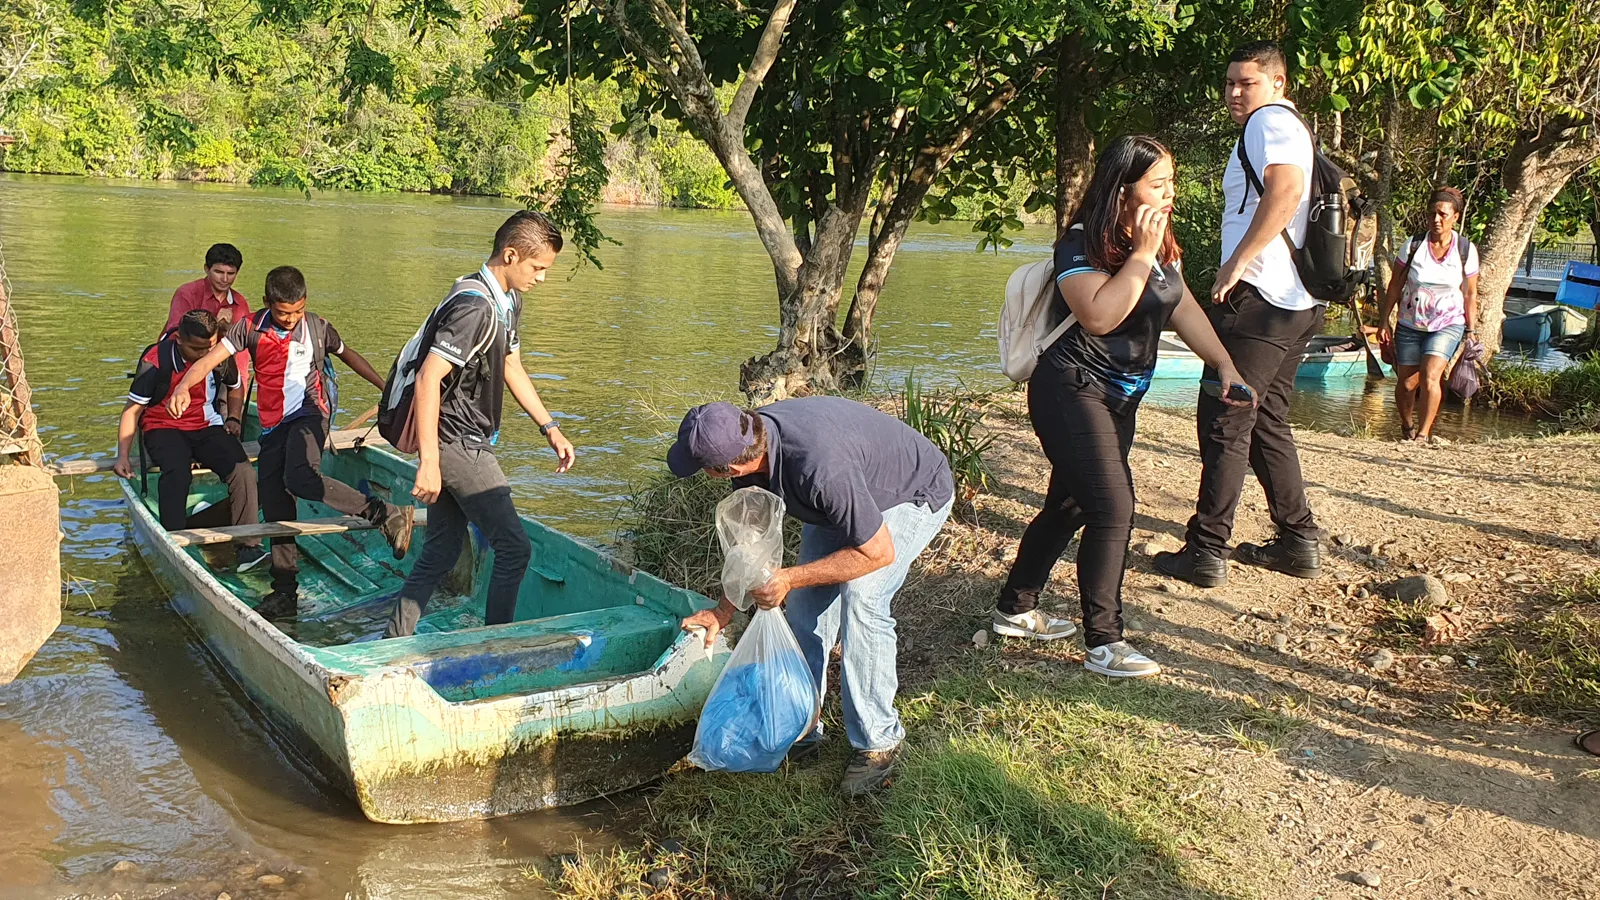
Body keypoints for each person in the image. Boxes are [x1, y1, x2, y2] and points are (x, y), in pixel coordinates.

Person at [992, 136, 1254, 677]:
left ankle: (1016, 610)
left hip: (1121, 398)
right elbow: (1099, 316)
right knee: (1113, 507)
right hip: (1071, 386)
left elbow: (1181, 306)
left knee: (1069, 505)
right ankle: (1105, 643)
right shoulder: (1080, 244)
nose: (1169, 194)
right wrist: (1139, 254)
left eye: (1171, 182)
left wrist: (1224, 363)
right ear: (1122, 189)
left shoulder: (1159, 244)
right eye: (1157, 185)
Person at [673, 397, 954, 796]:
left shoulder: (819, 467)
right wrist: (723, 611)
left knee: (863, 599)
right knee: (805, 611)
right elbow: (751, 549)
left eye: (702, 468)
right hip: (847, 499)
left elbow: (878, 552)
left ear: (729, 467)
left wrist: (789, 577)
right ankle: (802, 720)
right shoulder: (751, 445)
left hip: (908, 493)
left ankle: (879, 742)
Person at [1155, 40, 1325, 589]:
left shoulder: (1268, 122)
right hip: (1295, 303)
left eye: (1245, 82)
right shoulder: (1293, 128)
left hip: (1260, 300)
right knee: (1265, 420)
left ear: (1278, 83)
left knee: (1226, 422)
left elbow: (1288, 191)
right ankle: (1298, 541)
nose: (1233, 92)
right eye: (1229, 82)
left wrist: (1237, 262)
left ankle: (1207, 548)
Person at [167, 265, 414, 620]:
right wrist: (181, 386)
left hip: (311, 414)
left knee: (301, 477)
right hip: (272, 424)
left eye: (297, 311)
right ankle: (285, 592)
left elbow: (350, 356)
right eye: (284, 313)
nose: (291, 319)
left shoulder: (317, 327)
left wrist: (386, 390)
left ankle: (385, 513)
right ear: (268, 303)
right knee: (276, 502)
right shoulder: (248, 327)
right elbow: (208, 361)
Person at [383, 211, 576, 639]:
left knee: (443, 547)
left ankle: (394, 639)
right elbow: (428, 378)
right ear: (510, 255)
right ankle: (495, 648)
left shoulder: (508, 301)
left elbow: (510, 364)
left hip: (465, 437)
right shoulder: (474, 307)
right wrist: (429, 462)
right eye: (538, 267)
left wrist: (550, 427)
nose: (541, 278)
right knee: (514, 548)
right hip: (455, 441)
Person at [113, 310, 265, 571]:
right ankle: (176, 541)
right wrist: (123, 456)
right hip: (163, 426)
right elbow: (132, 411)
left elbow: (235, 385)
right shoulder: (156, 361)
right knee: (177, 470)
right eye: (197, 349)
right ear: (179, 340)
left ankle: (248, 546)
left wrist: (234, 418)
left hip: (206, 425)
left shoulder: (216, 354)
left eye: (209, 347)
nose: (205, 355)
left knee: (243, 470)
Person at [1379, 187, 1479, 442]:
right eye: (1432, 214)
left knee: (1431, 376)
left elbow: (1469, 294)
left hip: (1447, 323)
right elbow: (1394, 286)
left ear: (1455, 217)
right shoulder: (1413, 246)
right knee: (1407, 383)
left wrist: (1471, 328)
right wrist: (1383, 322)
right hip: (1411, 323)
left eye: (1443, 214)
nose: (1436, 219)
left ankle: (1423, 435)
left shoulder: (1465, 250)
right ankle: (1407, 427)